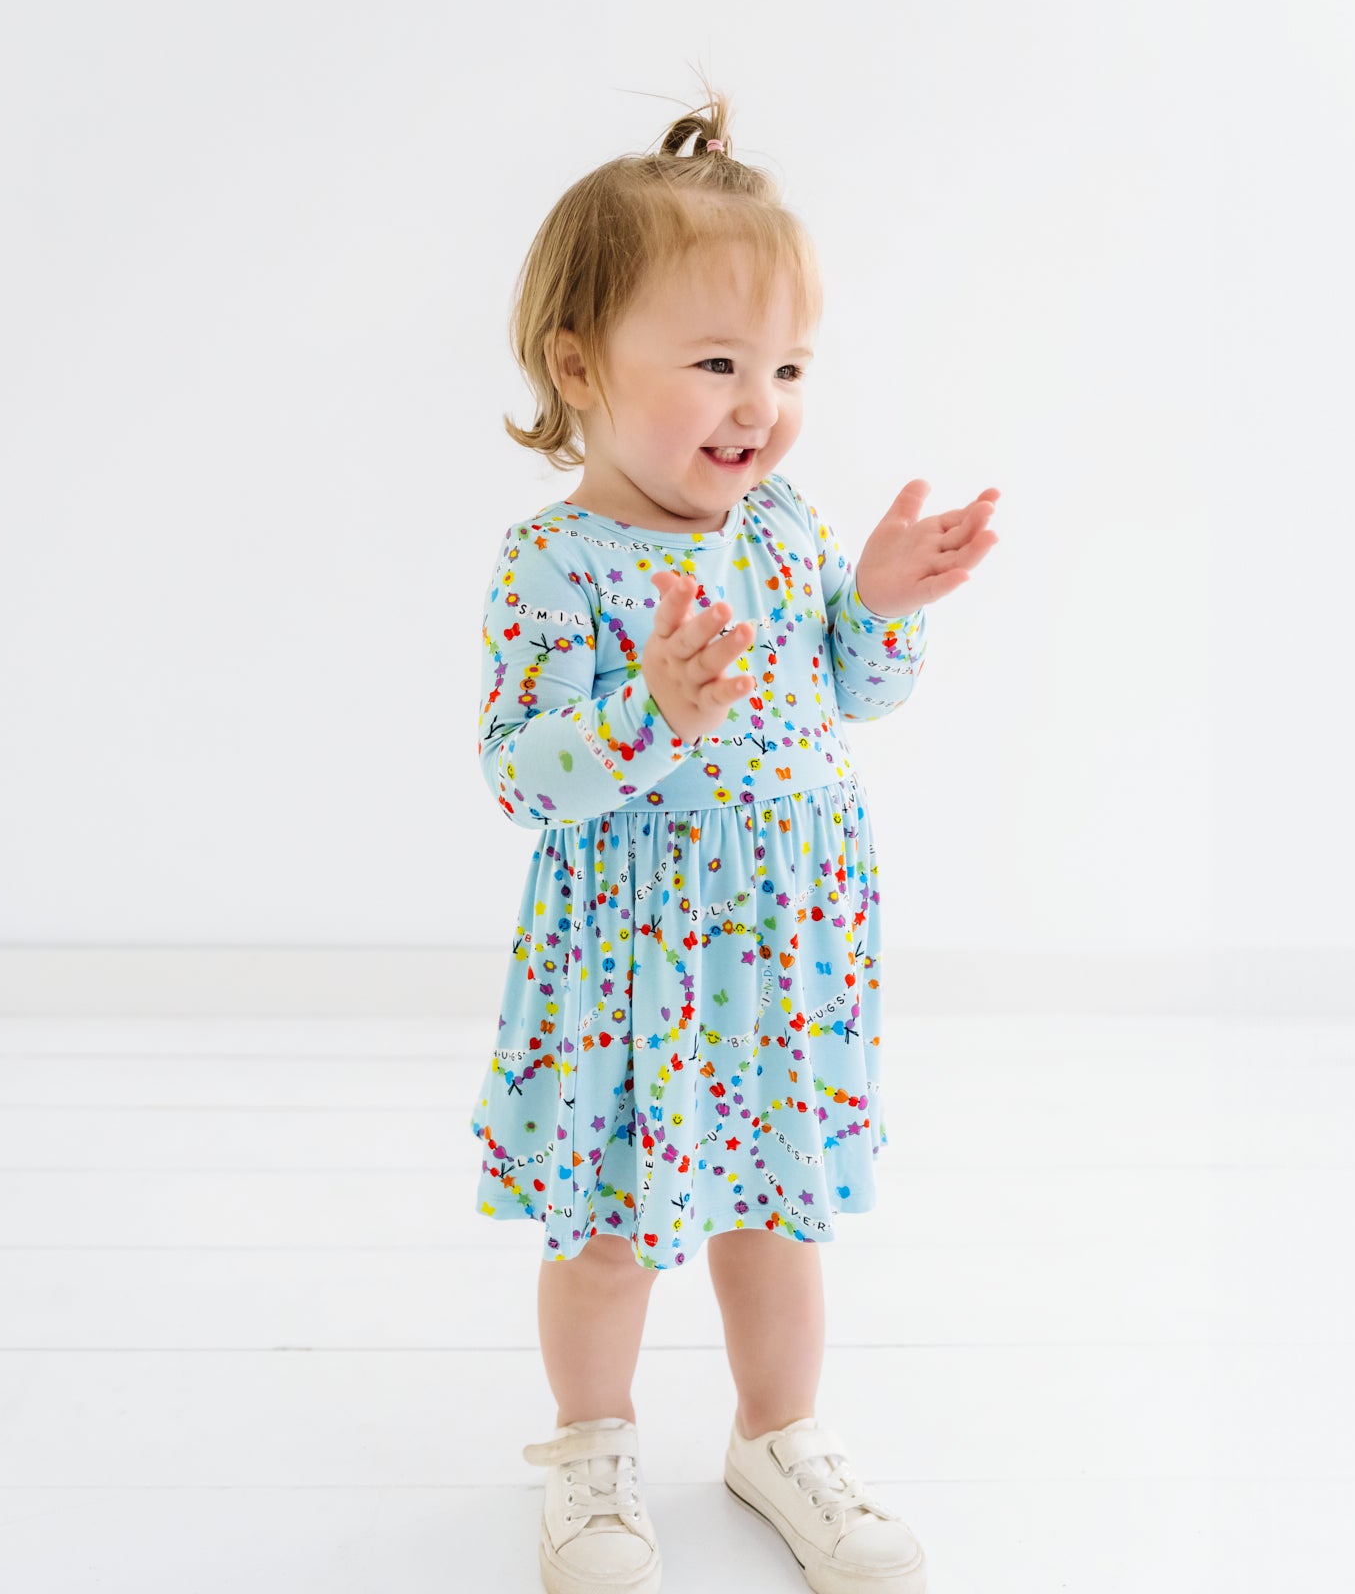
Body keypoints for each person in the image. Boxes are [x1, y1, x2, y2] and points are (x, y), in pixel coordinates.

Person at [469, 84, 999, 1594]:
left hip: (782, 947)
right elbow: (524, 774)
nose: (759, 403)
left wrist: (879, 608)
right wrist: (649, 712)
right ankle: (591, 1447)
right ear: (579, 364)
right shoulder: (556, 564)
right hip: (631, 960)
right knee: (613, 1230)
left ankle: (782, 1435)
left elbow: (844, 686)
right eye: (715, 363)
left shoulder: (780, 530)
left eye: (785, 365)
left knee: (778, 1209)